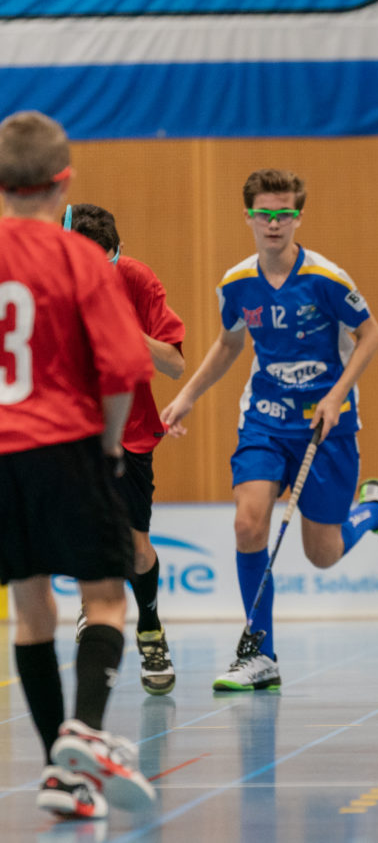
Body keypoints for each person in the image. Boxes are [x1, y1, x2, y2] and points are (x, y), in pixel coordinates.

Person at [159, 168, 378, 692]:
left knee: (321, 554)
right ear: (249, 217)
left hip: (327, 424)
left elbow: (371, 336)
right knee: (248, 525)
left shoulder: (327, 279)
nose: (274, 223)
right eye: (264, 214)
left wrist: (336, 394)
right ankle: (261, 654)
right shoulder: (236, 283)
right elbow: (230, 343)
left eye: (284, 214)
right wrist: (186, 396)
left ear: (298, 216)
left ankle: (374, 512)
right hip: (264, 418)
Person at [0, 110, 156, 819]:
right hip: (65, 443)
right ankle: (85, 728)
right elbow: (125, 368)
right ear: (65, 180)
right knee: (105, 596)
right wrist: (109, 447)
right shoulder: (81, 259)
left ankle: (58, 775)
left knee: (30, 609)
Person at [67, 203, 185, 696]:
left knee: (137, 553)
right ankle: (94, 603)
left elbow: (175, 365)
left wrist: (126, 331)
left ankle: (150, 626)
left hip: (132, 432)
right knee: (88, 539)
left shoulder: (136, 278)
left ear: (116, 255)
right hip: (72, 431)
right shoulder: (55, 279)